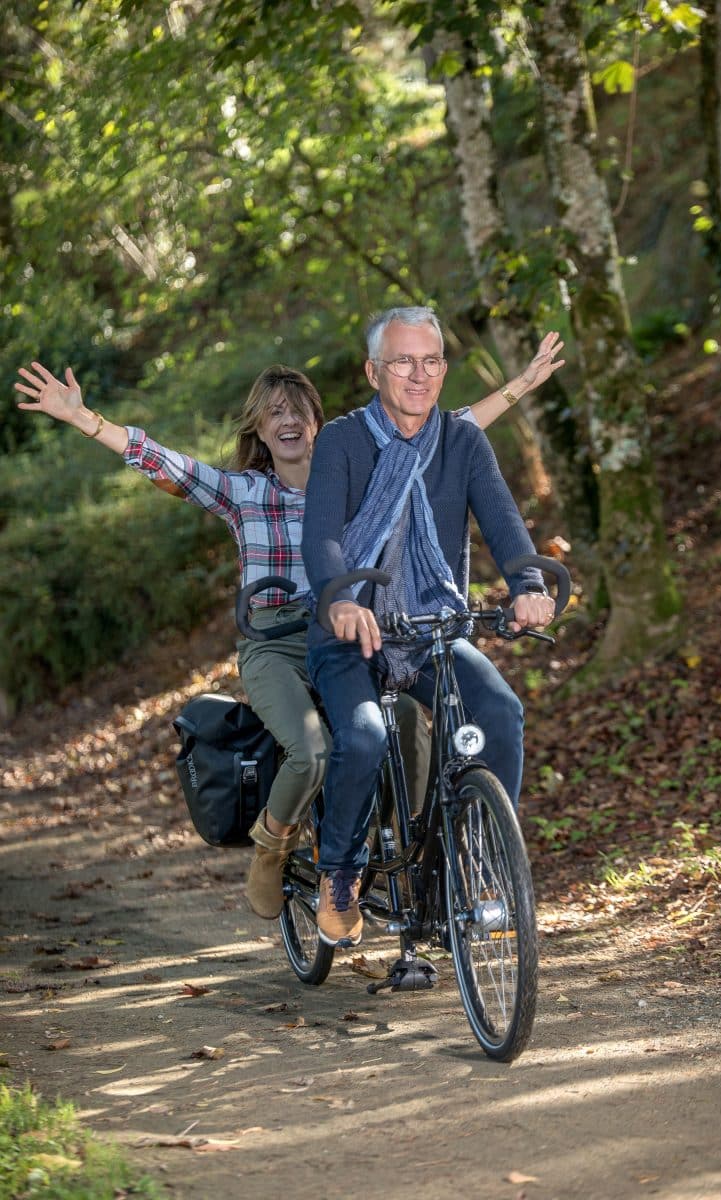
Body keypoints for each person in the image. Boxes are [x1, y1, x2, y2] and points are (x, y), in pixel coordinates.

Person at [14, 334, 563, 924]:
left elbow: (445, 427)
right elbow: (167, 462)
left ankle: (395, 848)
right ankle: (272, 848)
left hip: (354, 637)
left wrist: (520, 386)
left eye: (299, 410)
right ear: (259, 429)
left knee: (406, 725)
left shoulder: (359, 478)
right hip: (274, 643)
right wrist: (85, 419)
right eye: (274, 413)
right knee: (310, 751)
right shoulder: (246, 493)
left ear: (319, 423)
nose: (289, 421)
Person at [301, 306, 564, 947]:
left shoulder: (462, 441)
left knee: (499, 712)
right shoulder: (340, 441)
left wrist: (529, 587)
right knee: (362, 737)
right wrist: (339, 600)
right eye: (401, 362)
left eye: (430, 361)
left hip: (430, 627)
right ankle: (339, 872)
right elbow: (322, 536)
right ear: (373, 370)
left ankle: (470, 862)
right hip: (348, 629)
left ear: (443, 369)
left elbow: (503, 522)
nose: (418, 375)